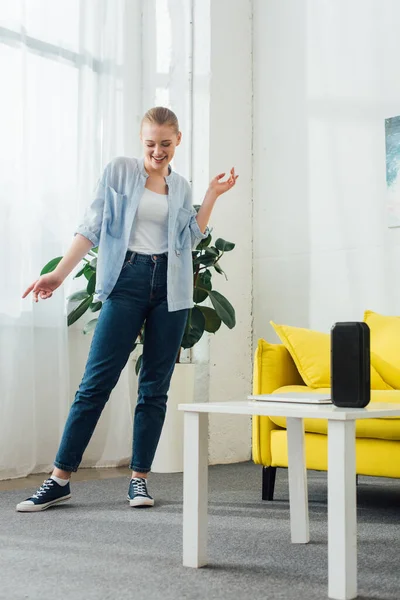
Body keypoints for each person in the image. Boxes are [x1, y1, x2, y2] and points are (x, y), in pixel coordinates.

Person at [16, 106, 238, 512]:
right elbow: (91, 227)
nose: (158, 151)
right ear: (142, 140)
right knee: (95, 384)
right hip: (127, 280)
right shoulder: (119, 171)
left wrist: (211, 195)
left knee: (155, 387)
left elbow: (190, 237)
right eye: (151, 143)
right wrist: (59, 275)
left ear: (178, 141)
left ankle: (139, 480)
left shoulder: (182, 186)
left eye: (166, 144)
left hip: (171, 285)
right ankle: (59, 478)